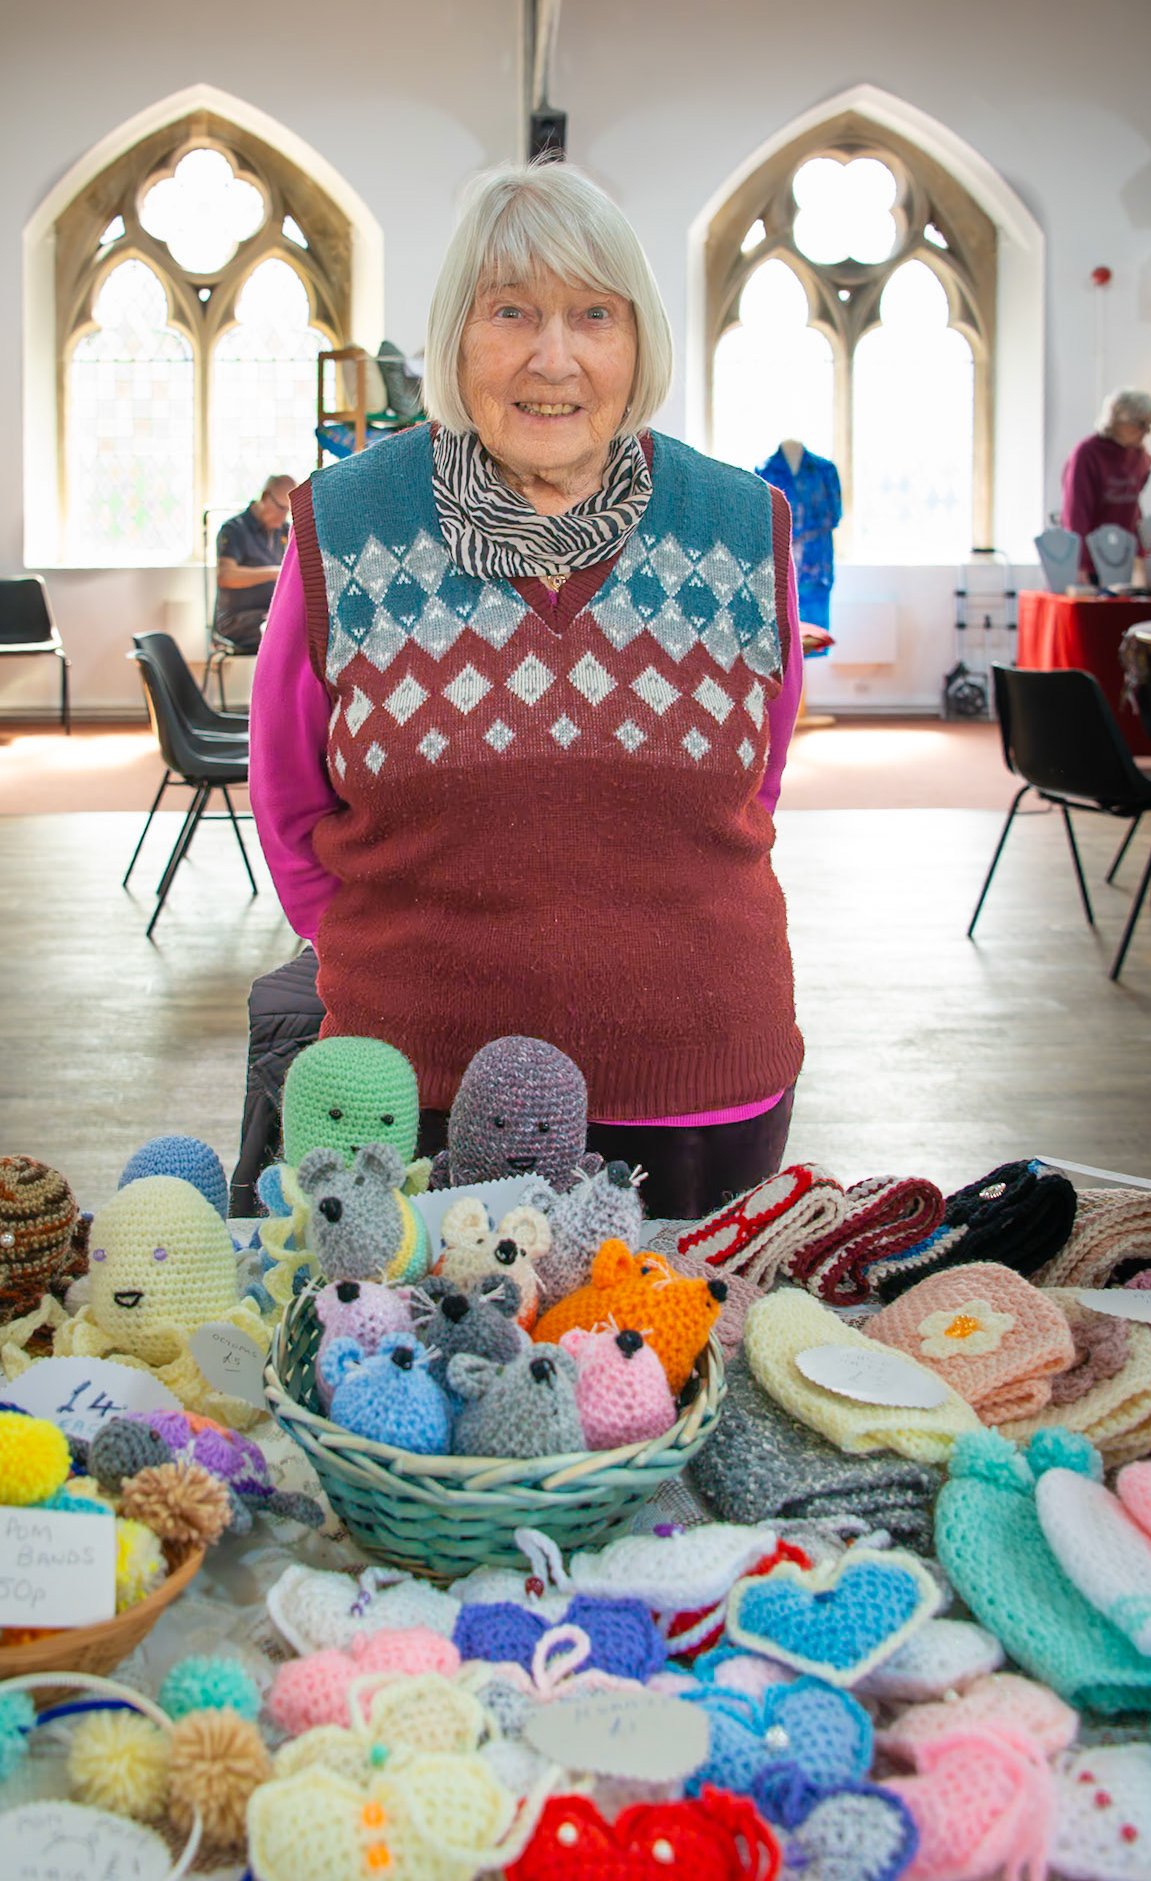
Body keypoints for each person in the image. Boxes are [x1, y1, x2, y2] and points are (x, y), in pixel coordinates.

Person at [249, 163, 804, 1218]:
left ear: (636, 341)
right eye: (512, 312)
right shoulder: (346, 526)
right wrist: (404, 970)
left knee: (671, 1370)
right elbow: (287, 802)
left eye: (593, 314)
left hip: (698, 1083)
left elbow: (753, 787)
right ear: (457, 336)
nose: (554, 358)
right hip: (413, 1091)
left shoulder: (744, 526)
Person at [1061, 388, 1151, 581]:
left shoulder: (1141, 456)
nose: (1146, 431)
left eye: (1149, 424)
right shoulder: (1087, 454)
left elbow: (1134, 510)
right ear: (1116, 421)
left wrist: (1142, 556)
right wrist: (1079, 565)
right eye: (1140, 424)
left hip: (1124, 557)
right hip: (1091, 562)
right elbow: (1076, 512)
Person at [212, 474, 294, 652]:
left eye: (288, 511)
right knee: (285, 631)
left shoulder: (284, 531)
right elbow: (226, 576)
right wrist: (274, 572)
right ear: (265, 497)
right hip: (236, 621)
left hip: (269, 613)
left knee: (303, 626)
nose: (284, 516)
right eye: (281, 508)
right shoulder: (234, 529)